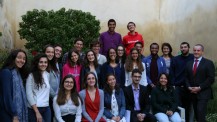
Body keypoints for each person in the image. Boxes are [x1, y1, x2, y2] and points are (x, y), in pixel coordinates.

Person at [185, 44, 215, 122]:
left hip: (203, 93)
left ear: (202, 52)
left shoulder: (208, 63)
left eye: (198, 50)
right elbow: (186, 78)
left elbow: (211, 79)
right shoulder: (189, 63)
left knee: (200, 112)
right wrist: (188, 87)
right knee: (198, 115)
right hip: (192, 93)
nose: (196, 52)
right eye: (194, 50)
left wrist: (199, 88)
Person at [0, 49, 28, 122]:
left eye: (24, 59)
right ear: (13, 58)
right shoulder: (6, 72)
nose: (22, 60)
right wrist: (14, 115)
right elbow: (7, 96)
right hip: (7, 114)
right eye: (19, 57)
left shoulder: (17, 73)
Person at [169, 42, 194, 122]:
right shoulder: (175, 59)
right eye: (182, 47)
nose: (183, 49)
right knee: (178, 106)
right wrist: (173, 84)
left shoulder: (193, 58)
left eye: (185, 47)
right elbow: (171, 73)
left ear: (188, 47)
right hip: (178, 87)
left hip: (189, 88)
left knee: (188, 107)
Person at [26, 54, 51, 122]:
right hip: (34, 108)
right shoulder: (31, 76)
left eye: (45, 62)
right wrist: (37, 112)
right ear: (37, 63)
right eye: (41, 62)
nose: (43, 64)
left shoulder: (48, 75)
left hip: (46, 107)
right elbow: (29, 95)